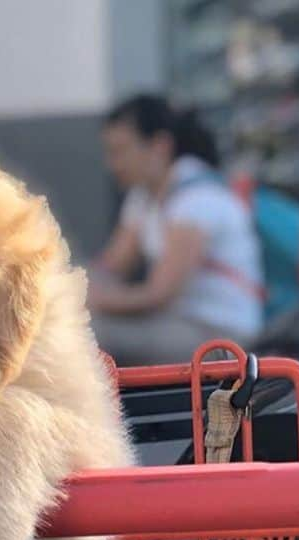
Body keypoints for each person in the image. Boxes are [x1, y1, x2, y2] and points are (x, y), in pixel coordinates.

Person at [90, 94, 263, 366]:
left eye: (121, 151)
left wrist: (90, 301)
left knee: (89, 334)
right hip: (174, 322)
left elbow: (158, 294)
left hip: (216, 335)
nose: (113, 165)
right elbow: (112, 266)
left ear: (159, 146)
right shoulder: (144, 197)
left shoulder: (197, 199)